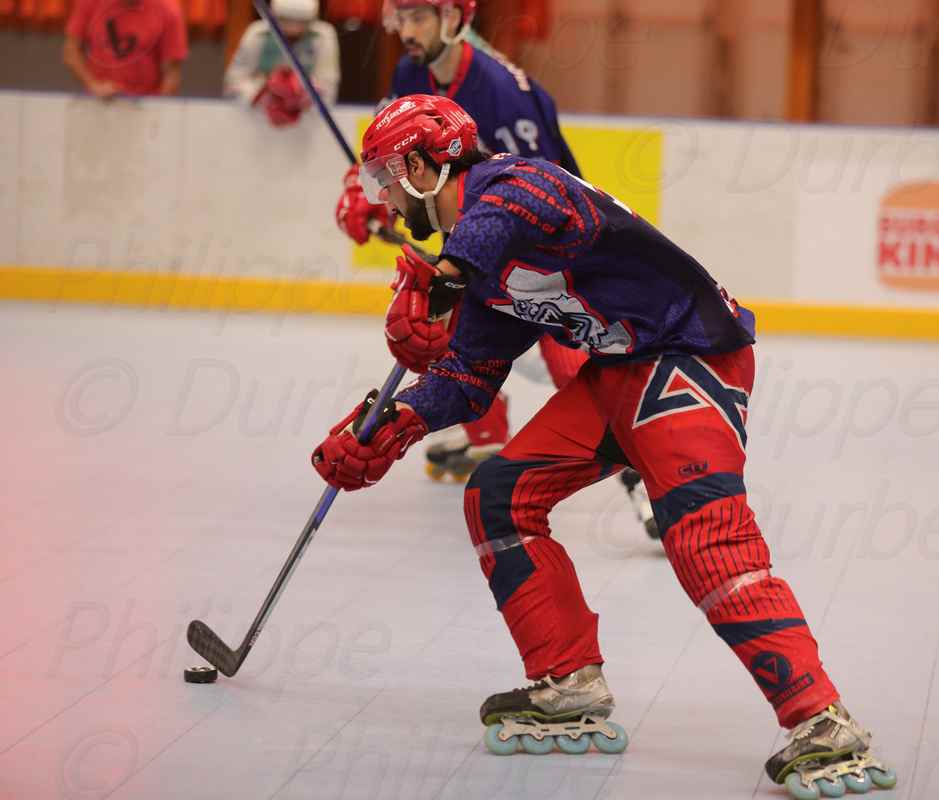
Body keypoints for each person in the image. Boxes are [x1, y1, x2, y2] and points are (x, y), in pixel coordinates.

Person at [311, 95, 897, 799]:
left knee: (706, 540)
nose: (383, 195)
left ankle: (823, 721)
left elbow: (525, 205)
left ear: (417, 166)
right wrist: (392, 424)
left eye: (384, 176)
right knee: (499, 495)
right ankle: (569, 680)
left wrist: (453, 273)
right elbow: (468, 378)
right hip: (619, 372)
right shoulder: (477, 266)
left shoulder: (510, 185)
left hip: (689, 358)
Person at [335, 0, 657, 538]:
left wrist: (473, 252)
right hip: (471, 236)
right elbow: (392, 154)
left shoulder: (502, 95)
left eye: (419, 17)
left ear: (453, 19)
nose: (406, 31)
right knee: (447, 335)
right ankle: (486, 431)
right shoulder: (411, 73)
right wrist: (363, 191)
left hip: (547, 249)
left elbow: (542, 188)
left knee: (570, 363)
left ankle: (645, 479)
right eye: (401, 17)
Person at [224, 0, 340, 127]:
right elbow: (233, 80)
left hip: (306, 122)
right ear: (274, 16)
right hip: (256, 117)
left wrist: (300, 95)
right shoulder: (257, 34)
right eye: (285, 20)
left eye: (302, 22)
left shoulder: (323, 36)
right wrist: (263, 95)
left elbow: (329, 86)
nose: (293, 28)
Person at [63, 0, 188, 98]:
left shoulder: (168, 9)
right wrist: (93, 85)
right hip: (97, 103)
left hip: (144, 106)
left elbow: (172, 74)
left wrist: (156, 111)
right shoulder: (90, 2)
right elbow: (71, 51)